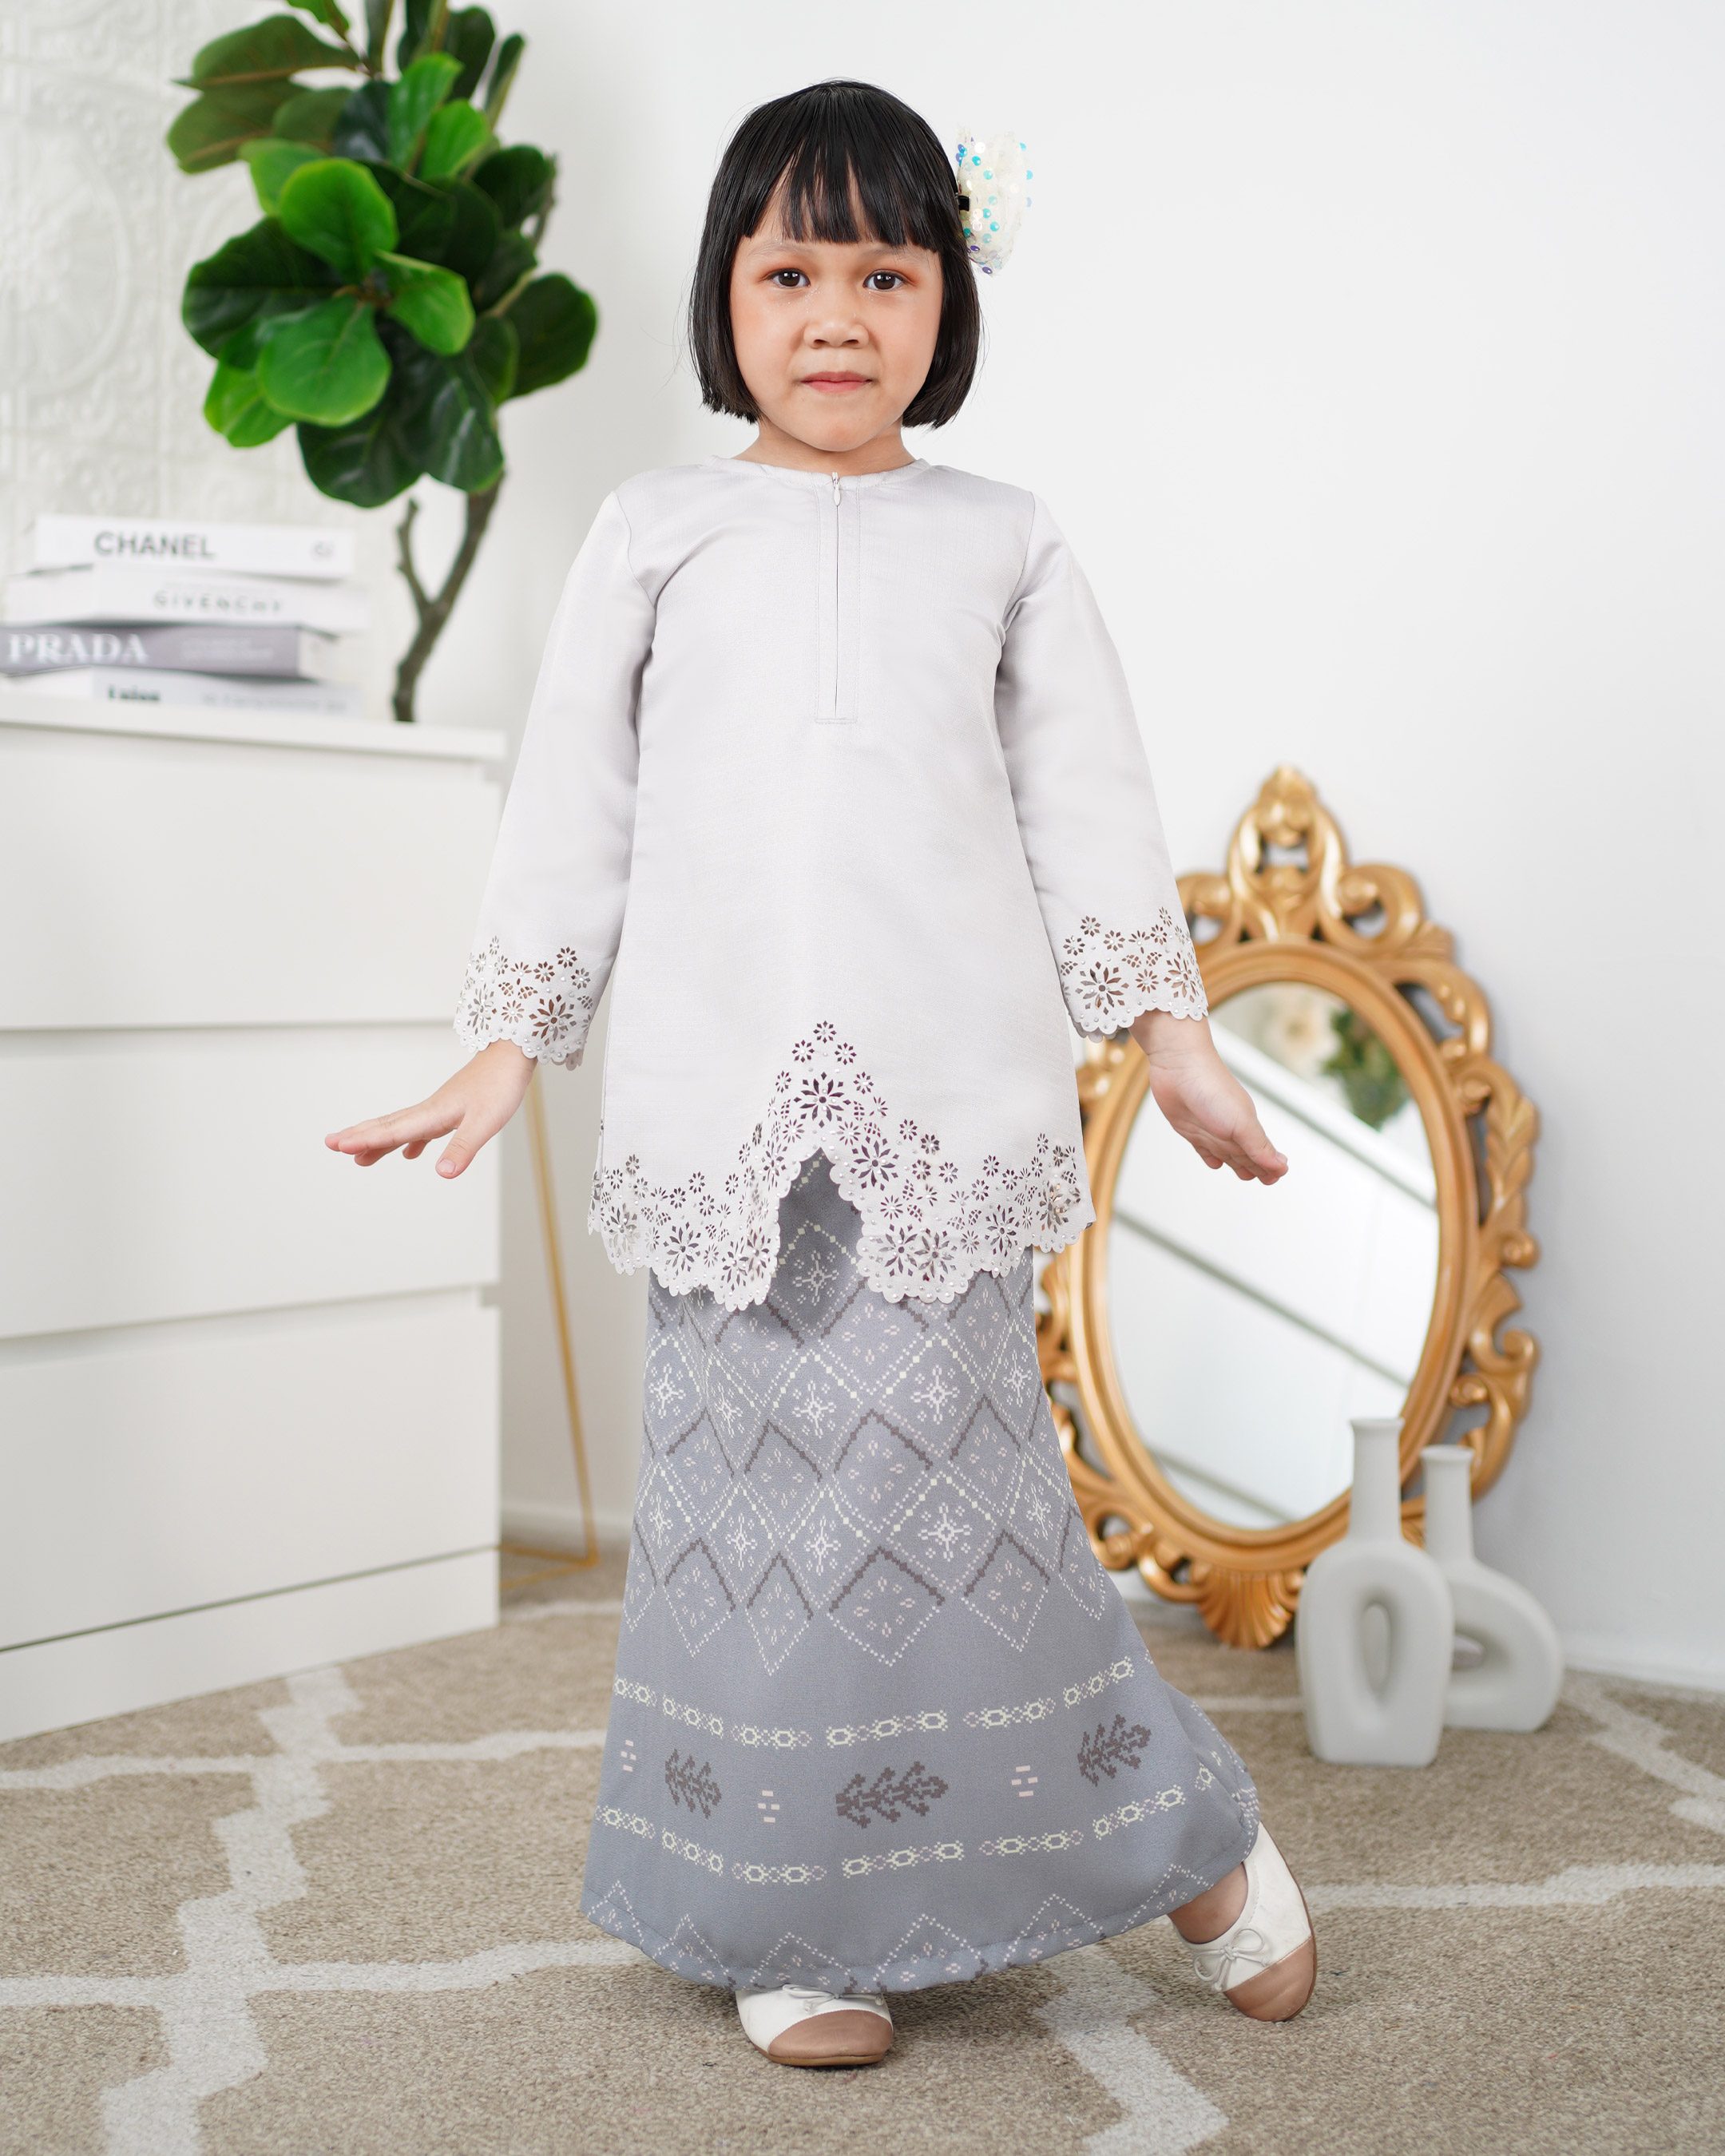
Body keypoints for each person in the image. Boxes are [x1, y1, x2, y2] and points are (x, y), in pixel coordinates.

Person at [327, 77, 1316, 2069]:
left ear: (951, 299)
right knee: (757, 1530)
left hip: (945, 1119)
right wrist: (507, 1045)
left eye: (886, 273)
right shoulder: (655, 532)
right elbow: (574, 811)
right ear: (727, 294)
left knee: (970, 1513)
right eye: (792, 274)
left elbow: (1092, 810)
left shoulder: (1007, 541)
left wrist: (1175, 1036)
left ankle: (1193, 1843)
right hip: (722, 1131)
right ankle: (798, 1916)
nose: (839, 316)